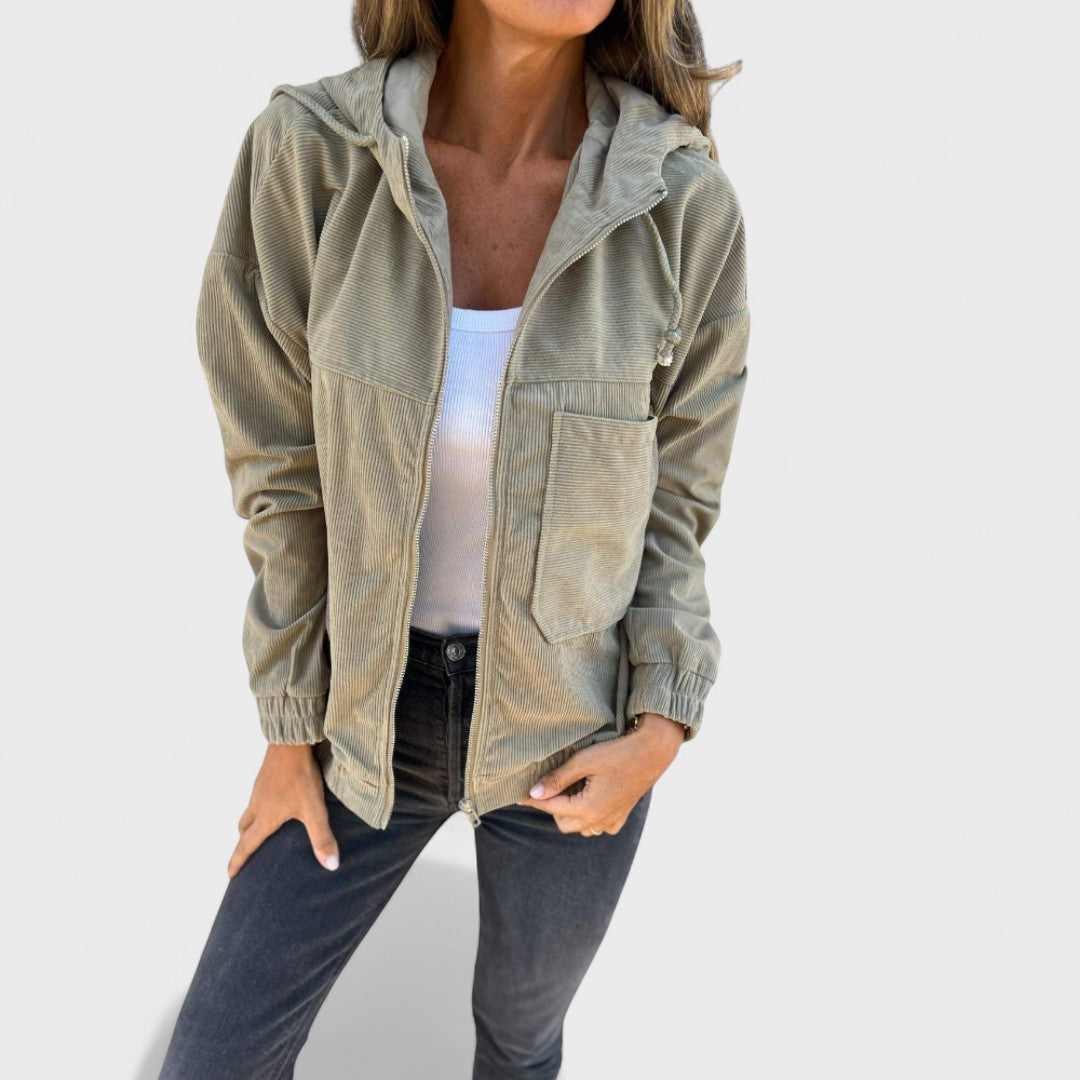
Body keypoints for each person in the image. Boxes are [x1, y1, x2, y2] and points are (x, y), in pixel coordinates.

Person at [158, 1, 750, 1077]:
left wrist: (662, 725)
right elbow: (279, 474)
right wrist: (289, 730)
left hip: (575, 734)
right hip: (360, 722)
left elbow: (676, 500)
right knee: (215, 1056)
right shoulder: (313, 156)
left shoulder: (677, 200)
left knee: (519, 1047)